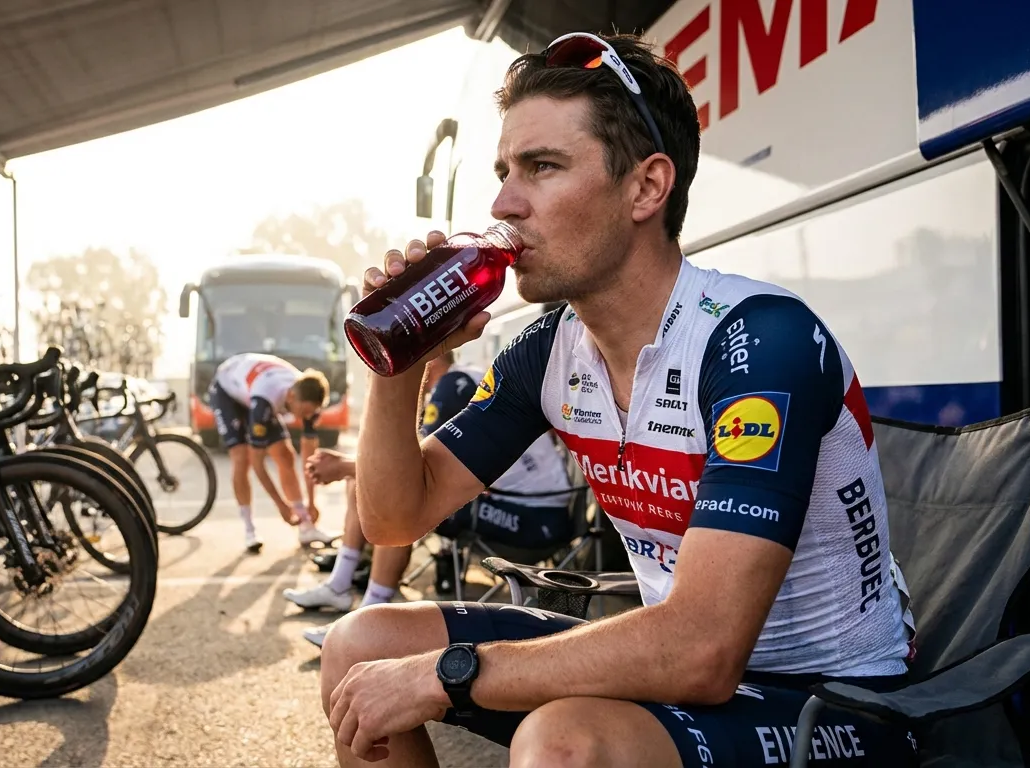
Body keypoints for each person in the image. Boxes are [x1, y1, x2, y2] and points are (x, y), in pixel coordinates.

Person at [320, 31, 918, 767]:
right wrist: (398, 362)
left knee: (564, 742)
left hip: (833, 701)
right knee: (360, 646)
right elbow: (392, 515)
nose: (504, 202)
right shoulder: (552, 348)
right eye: (506, 170)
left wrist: (449, 674)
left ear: (646, 188)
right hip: (683, 672)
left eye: (542, 168)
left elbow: (702, 649)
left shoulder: (761, 339)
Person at [286, 349, 573, 649]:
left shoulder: (452, 386)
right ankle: (340, 585)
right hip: (534, 508)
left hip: (537, 520)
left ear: (427, 360)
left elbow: (408, 471)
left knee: (402, 499)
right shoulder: (465, 377)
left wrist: (342, 465)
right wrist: (350, 467)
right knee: (370, 484)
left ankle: (370, 623)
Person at [208, 352, 338, 552]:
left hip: (255, 385)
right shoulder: (265, 400)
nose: (306, 417)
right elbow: (258, 464)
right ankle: (249, 530)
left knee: (285, 455)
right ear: (292, 397)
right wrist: (281, 506)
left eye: (310, 413)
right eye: (303, 413)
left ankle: (306, 526)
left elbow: (309, 458)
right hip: (228, 389)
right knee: (242, 458)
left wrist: (312, 503)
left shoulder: (308, 397)